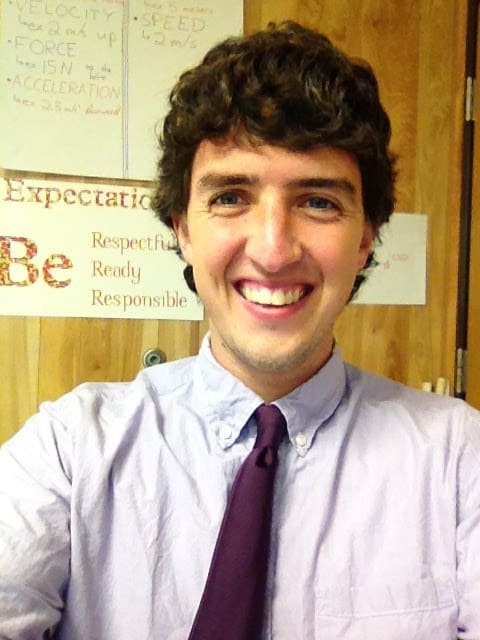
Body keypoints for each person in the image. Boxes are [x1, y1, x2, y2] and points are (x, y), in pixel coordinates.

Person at [1, 20, 479, 640]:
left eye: (318, 202)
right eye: (230, 197)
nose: (274, 251)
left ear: (365, 239)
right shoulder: (69, 453)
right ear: (183, 229)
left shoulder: (459, 461)